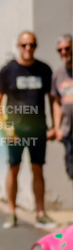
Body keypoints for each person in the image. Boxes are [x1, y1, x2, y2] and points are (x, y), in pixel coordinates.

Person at [0, 31, 58, 229]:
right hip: (15, 130)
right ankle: (11, 212)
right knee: (14, 168)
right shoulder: (8, 70)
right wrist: (4, 127)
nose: (28, 49)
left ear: (36, 46)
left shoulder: (44, 69)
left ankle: (40, 212)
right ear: (18, 47)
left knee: (38, 169)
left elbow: (52, 99)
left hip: (38, 129)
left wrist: (54, 126)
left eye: (32, 45)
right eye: (24, 45)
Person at [53, 34, 73, 186]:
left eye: (67, 48)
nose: (64, 52)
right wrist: (57, 128)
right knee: (71, 170)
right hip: (68, 131)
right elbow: (56, 103)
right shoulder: (58, 75)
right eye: (60, 50)